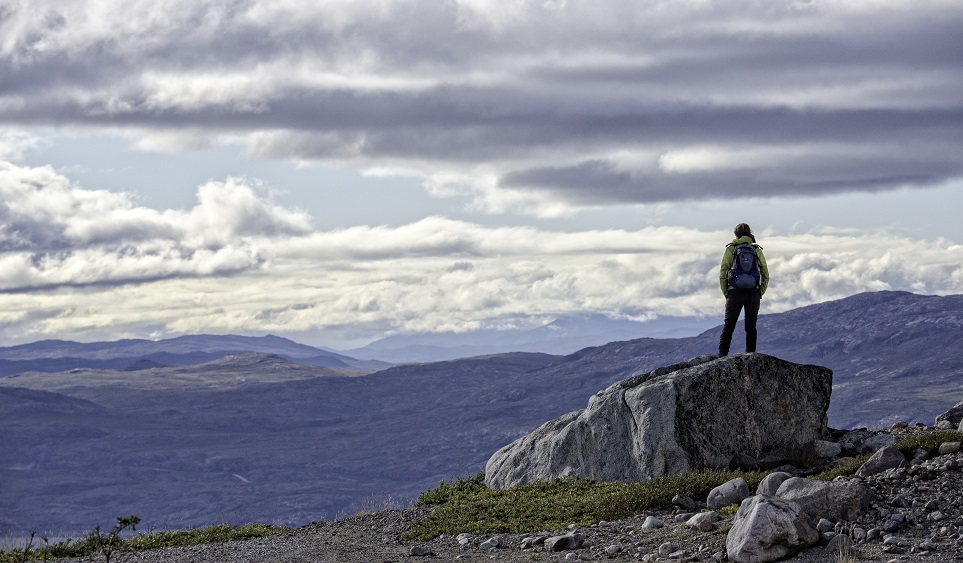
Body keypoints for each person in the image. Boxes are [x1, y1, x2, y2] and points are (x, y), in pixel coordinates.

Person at [718, 223, 769, 356]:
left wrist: (726, 292)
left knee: (729, 326)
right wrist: (760, 292)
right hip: (753, 293)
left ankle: (722, 355)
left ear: (736, 234)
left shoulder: (731, 249)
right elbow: (765, 273)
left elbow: (723, 271)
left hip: (734, 292)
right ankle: (750, 356)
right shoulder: (756, 250)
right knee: (751, 327)